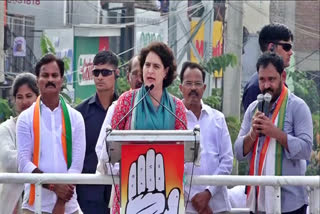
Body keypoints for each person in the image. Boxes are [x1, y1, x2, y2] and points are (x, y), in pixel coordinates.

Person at [99, 41, 187, 213]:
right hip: (128, 191)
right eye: (147, 65)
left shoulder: (177, 108)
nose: (150, 71)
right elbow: (108, 144)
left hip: (166, 193)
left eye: (156, 66)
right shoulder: (127, 101)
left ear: (166, 71)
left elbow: (184, 150)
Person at [234, 53, 313, 214]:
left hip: (290, 203)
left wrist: (275, 133)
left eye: (271, 79)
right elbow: (238, 153)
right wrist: (252, 134)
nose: (266, 85)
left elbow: (306, 150)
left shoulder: (298, 107)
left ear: (282, 76)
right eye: (262, 80)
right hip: (257, 202)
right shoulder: (253, 108)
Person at [16, 54, 86, 214]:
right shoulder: (25, 119)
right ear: (37, 81)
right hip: (34, 205)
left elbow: (76, 167)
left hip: (68, 206)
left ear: (61, 80)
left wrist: (61, 201)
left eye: (55, 75)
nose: (50, 80)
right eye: (45, 75)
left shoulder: (76, 118)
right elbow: (23, 163)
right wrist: (53, 186)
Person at [179, 62, 233, 214]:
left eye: (198, 83)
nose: (193, 88)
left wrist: (208, 193)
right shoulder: (174, 120)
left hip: (217, 205)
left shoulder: (218, 118)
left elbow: (227, 161)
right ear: (181, 88)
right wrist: (195, 199)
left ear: (204, 88)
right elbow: (170, 165)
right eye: (188, 83)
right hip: (185, 207)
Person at [76, 50, 118, 214]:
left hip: (118, 190)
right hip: (88, 192)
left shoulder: (126, 109)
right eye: (96, 72)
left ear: (116, 74)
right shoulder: (80, 113)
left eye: (106, 72)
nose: (100, 77)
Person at [0, 73, 39, 214]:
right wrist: (39, 154)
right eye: (19, 97)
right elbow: (9, 162)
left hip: (42, 203)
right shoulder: (6, 128)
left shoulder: (47, 128)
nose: (24, 102)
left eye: (29, 96)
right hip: (11, 206)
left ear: (38, 97)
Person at [242, 23, 293, 111]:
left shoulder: (281, 83)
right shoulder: (255, 87)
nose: (290, 52)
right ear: (271, 47)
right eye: (286, 47)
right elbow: (254, 123)